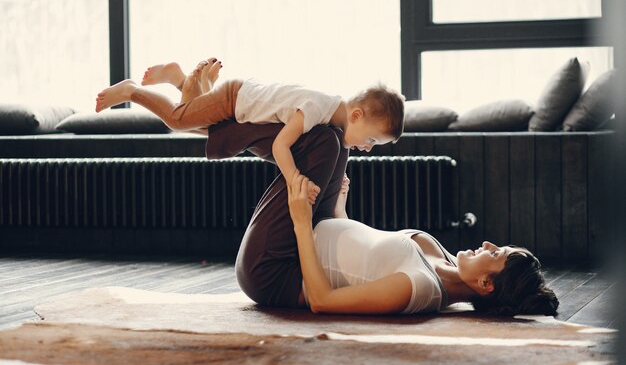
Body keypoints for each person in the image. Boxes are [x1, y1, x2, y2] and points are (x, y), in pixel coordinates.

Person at [202, 120, 559, 316]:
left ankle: (213, 126)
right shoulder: (439, 253)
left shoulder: (418, 288)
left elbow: (323, 300)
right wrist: (340, 207)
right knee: (339, 135)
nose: (487, 244)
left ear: (486, 285)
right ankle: (221, 127)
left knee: (324, 141)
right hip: (313, 228)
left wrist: (299, 221)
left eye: (495, 254)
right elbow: (359, 260)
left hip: (274, 269)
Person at [95, 58, 405, 203]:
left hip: (243, 108)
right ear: (356, 114)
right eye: (372, 140)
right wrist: (295, 178)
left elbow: (342, 152)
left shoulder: (337, 122)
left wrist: (340, 178)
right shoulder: (318, 109)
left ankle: (185, 82)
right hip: (235, 99)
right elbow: (282, 146)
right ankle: (132, 90)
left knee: (202, 130)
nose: (368, 147)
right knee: (178, 120)